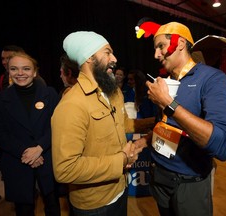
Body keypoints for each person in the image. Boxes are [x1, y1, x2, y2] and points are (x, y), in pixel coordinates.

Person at [134, 21, 226, 216]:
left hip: (189, 184)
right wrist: (144, 141)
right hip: (159, 177)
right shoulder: (166, 80)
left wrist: (168, 104)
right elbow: (166, 123)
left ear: (180, 43)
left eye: (161, 46)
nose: (156, 55)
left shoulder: (212, 79)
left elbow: (224, 147)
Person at [51, 31, 155, 216]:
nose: (114, 58)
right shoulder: (71, 106)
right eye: (107, 52)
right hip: (94, 205)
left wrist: (154, 123)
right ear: (89, 57)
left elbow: (124, 125)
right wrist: (122, 160)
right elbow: (65, 170)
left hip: (120, 189)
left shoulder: (114, 92)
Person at [0, 52, 61, 216]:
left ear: (35, 72)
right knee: (23, 210)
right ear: (8, 72)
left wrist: (39, 148)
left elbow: (58, 126)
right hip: (17, 161)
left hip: (47, 157)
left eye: (26, 68)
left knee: (53, 205)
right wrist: (27, 152)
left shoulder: (50, 94)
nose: (20, 73)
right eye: (14, 69)